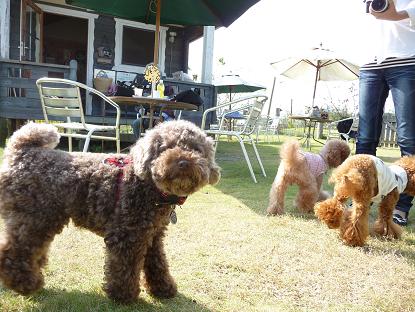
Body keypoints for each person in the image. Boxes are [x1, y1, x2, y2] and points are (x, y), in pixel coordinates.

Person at [356, 0, 415, 226]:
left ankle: (402, 206)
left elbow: (393, 14)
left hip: (407, 59)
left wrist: (397, 13)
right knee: (365, 137)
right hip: (370, 62)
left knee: (408, 138)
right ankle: (361, 196)